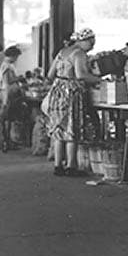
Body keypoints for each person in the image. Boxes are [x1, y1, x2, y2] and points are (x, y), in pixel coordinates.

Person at [46, 28, 101, 176]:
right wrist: (99, 79)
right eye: (90, 42)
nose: (92, 46)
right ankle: (71, 166)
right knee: (72, 127)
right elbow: (81, 75)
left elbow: (50, 74)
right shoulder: (79, 54)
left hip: (57, 91)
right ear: (81, 41)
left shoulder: (62, 52)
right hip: (71, 92)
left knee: (59, 128)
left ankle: (58, 165)